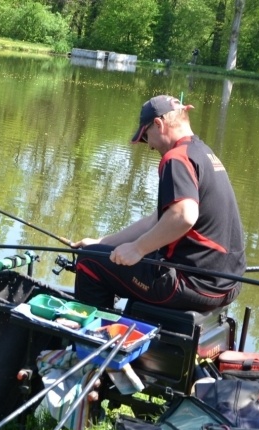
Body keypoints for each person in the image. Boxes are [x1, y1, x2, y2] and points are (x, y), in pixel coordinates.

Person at [72, 94, 246, 312]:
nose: (149, 147)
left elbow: (184, 215)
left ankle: (92, 339)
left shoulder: (177, 158)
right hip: (226, 284)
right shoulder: (204, 153)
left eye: (146, 137)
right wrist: (103, 242)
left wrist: (138, 248)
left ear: (158, 124)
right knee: (97, 252)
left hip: (190, 283)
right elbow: (159, 220)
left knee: (89, 262)